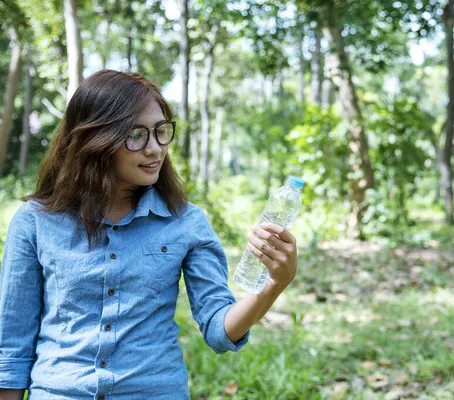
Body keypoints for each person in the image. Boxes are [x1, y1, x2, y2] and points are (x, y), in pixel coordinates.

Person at [0, 70, 298, 400]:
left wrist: (275, 284)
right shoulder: (35, 222)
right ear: (95, 138)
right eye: (137, 135)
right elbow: (11, 345)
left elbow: (218, 329)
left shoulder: (187, 222)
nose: (155, 149)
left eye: (160, 132)